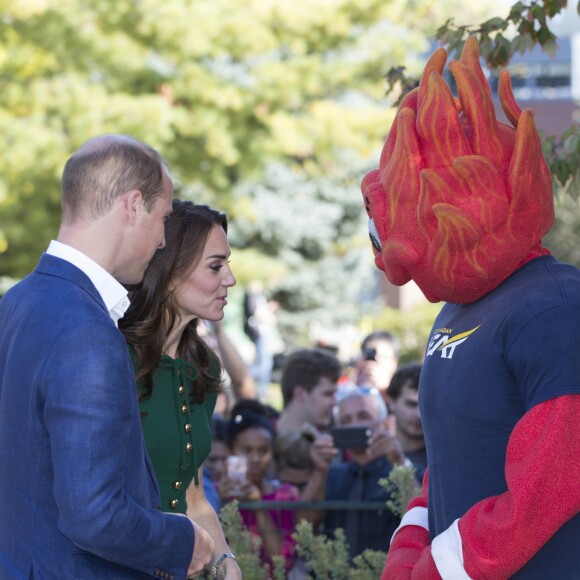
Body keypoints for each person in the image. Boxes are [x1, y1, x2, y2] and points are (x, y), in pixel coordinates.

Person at [363, 37, 580, 578]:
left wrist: (442, 565)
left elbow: (554, 478)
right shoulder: (459, 308)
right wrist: (411, 541)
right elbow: (456, 452)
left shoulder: (555, 304)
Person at [0, 134, 213, 578]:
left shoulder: (16, 303)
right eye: (163, 218)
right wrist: (183, 541)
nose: (161, 241)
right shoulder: (86, 331)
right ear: (132, 206)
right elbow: (94, 516)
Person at [120, 200, 241, 579]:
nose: (230, 279)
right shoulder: (113, 357)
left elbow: (194, 499)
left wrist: (227, 563)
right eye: (215, 266)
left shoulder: (203, 368)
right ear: (170, 271)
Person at [322, 388, 406, 560]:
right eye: (346, 420)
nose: (354, 425)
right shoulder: (330, 474)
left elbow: (421, 516)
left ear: (384, 423)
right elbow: (307, 523)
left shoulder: (404, 470)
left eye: (363, 416)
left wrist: (399, 462)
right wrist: (318, 470)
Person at [221, 399, 300, 571]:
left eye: (263, 451)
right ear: (230, 451)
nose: (256, 459)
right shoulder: (215, 492)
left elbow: (282, 561)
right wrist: (220, 501)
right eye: (247, 450)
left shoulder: (285, 495)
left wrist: (258, 505)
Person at [276, 348, 343, 436]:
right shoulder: (259, 440)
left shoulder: (332, 444)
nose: (334, 402)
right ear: (299, 394)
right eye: (328, 394)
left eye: (334, 394)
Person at [385, 363, 426, 483]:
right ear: (391, 402)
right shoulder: (375, 454)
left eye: (425, 406)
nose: (419, 415)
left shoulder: (442, 459)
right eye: (411, 404)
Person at [352, 330, 401, 402]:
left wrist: (384, 390)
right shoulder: (348, 390)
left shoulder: (404, 393)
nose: (374, 363)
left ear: (395, 361)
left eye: (383, 357)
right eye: (370, 357)